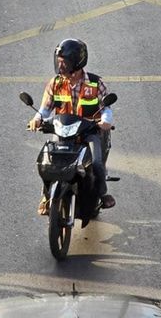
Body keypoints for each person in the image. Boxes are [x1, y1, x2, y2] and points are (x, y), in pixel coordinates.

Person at [29, 39, 115, 215]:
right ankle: (46, 197)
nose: (60, 66)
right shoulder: (55, 83)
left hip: (89, 131)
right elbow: (45, 108)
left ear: (77, 62)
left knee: (96, 163)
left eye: (65, 62)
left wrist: (105, 121)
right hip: (63, 130)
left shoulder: (95, 83)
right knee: (47, 161)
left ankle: (102, 194)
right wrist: (37, 119)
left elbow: (106, 109)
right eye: (59, 61)